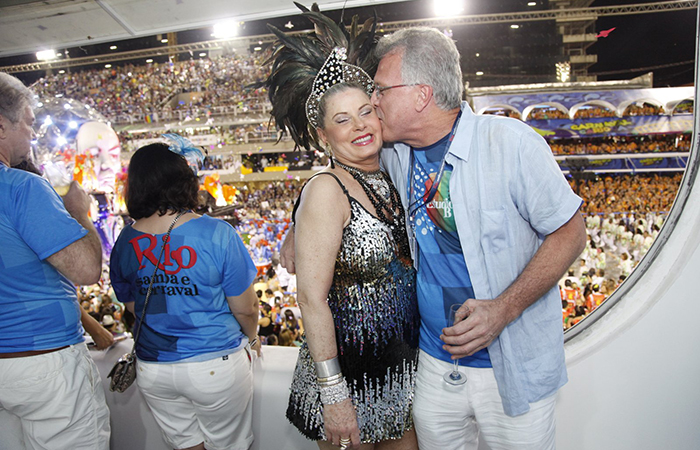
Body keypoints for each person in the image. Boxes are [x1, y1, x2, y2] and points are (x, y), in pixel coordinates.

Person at [282, 26, 587, 449]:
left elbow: (571, 231)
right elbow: (338, 181)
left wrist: (503, 308)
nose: (373, 103)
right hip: (430, 368)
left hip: (510, 365)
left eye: (381, 91)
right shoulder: (395, 152)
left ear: (421, 94)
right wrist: (299, 224)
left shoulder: (510, 144)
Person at [265, 6, 420, 450]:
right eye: (342, 119)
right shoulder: (326, 190)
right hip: (346, 378)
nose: (359, 126)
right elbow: (310, 298)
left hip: (399, 371)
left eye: (365, 111)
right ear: (322, 135)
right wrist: (334, 396)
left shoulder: (392, 171)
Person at [109, 140, 261, 450]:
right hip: (214, 362)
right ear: (185, 179)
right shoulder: (217, 233)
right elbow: (246, 309)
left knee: (187, 445)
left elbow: (133, 307)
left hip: (154, 368)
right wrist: (253, 336)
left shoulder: (124, 240)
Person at [0, 72, 111, 449]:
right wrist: (80, 213)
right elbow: (87, 270)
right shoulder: (21, 187)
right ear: (1, 127)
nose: (32, 135)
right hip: (42, 364)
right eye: (28, 124)